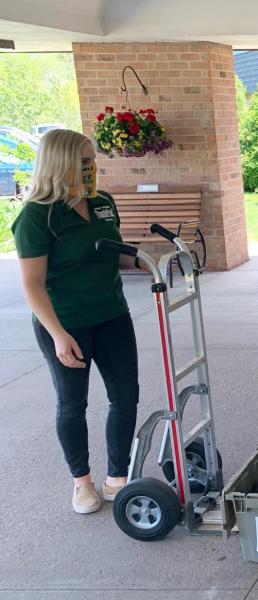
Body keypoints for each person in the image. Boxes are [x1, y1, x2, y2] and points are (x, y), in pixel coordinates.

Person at [12, 129, 140, 514]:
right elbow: (33, 286)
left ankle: (118, 477)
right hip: (66, 323)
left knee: (126, 395)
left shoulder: (103, 202)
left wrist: (154, 257)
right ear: (61, 165)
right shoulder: (36, 217)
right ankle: (81, 483)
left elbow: (114, 254)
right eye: (84, 163)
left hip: (112, 314)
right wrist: (58, 335)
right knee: (72, 404)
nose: (92, 169)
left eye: (93, 161)